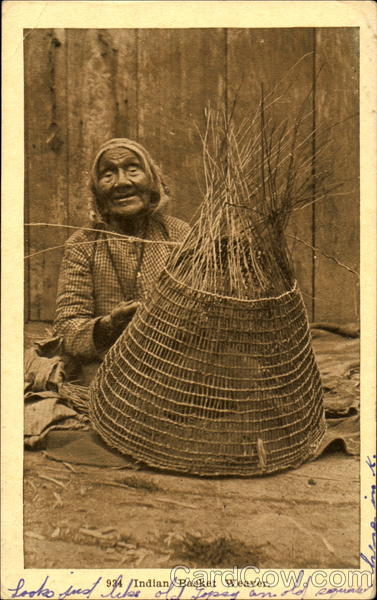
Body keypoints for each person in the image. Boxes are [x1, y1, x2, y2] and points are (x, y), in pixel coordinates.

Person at [53, 138, 190, 381]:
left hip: (174, 367)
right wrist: (108, 326)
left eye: (132, 169)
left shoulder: (179, 234)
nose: (122, 182)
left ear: (151, 181)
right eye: (108, 174)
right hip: (107, 369)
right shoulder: (83, 244)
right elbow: (67, 329)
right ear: (96, 189)